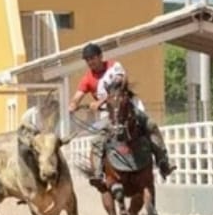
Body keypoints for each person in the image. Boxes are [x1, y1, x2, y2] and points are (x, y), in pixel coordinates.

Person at [67, 43, 175, 184]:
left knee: (151, 126)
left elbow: (118, 87)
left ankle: (163, 162)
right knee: (97, 141)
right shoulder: (87, 79)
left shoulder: (115, 67)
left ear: (100, 56)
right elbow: (77, 95)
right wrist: (73, 104)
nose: (90, 62)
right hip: (109, 116)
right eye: (87, 59)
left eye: (92, 58)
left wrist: (100, 102)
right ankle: (98, 174)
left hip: (129, 109)